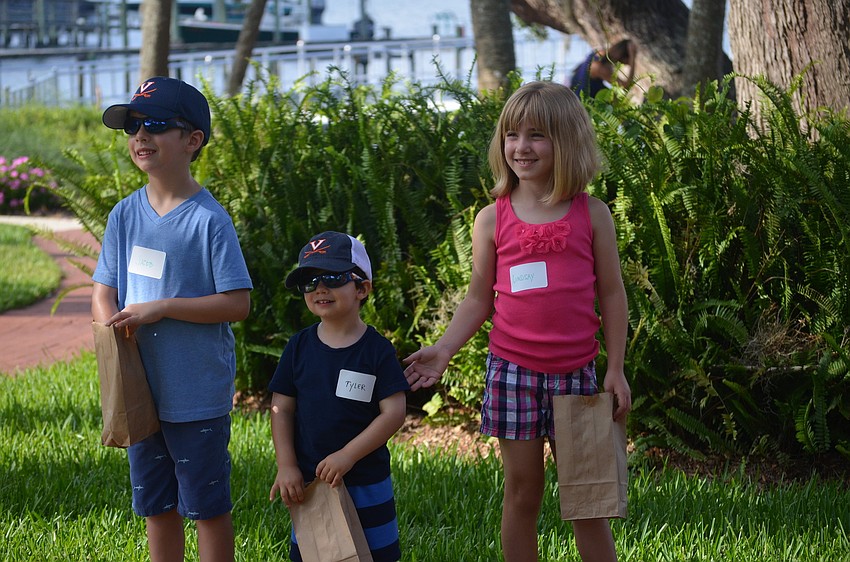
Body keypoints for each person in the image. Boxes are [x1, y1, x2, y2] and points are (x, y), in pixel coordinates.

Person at [403, 81, 632, 562]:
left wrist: (616, 368)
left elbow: (612, 293)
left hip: (580, 377)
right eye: (511, 134)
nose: (521, 147)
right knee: (523, 493)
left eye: (536, 135)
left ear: (566, 141)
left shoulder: (593, 214)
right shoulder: (492, 219)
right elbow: (476, 300)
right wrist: (442, 350)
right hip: (512, 375)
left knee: (589, 503)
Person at [92, 76, 253, 562]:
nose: (140, 136)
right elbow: (103, 293)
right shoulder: (124, 215)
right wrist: (112, 337)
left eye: (155, 125)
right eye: (133, 127)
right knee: (155, 505)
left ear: (192, 140)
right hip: (140, 394)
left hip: (196, 396)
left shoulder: (208, 221)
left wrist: (161, 308)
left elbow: (236, 303)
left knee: (205, 508)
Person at [268, 231, 409, 562]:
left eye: (332, 277)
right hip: (312, 486)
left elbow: (394, 413)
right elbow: (281, 409)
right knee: (317, 555)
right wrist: (286, 464)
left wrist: (348, 455)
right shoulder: (298, 347)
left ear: (362, 288)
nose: (319, 287)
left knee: (376, 555)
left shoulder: (377, 351)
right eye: (310, 281)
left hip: (366, 481)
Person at [569, 39, 637, 98]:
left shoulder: (599, 53)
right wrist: (633, 58)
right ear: (624, 57)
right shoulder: (601, 68)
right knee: (614, 97)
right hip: (585, 99)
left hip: (577, 90)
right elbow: (625, 86)